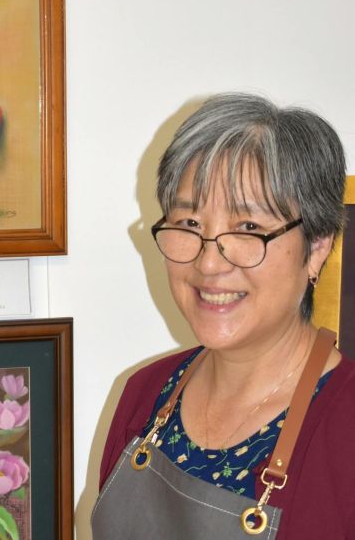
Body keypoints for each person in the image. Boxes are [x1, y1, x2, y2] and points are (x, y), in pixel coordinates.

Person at [92, 93, 355, 539]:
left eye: (248, 229)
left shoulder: (345, 426)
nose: (209, 264)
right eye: (190, 224)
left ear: (317, 247)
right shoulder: (144, 394)